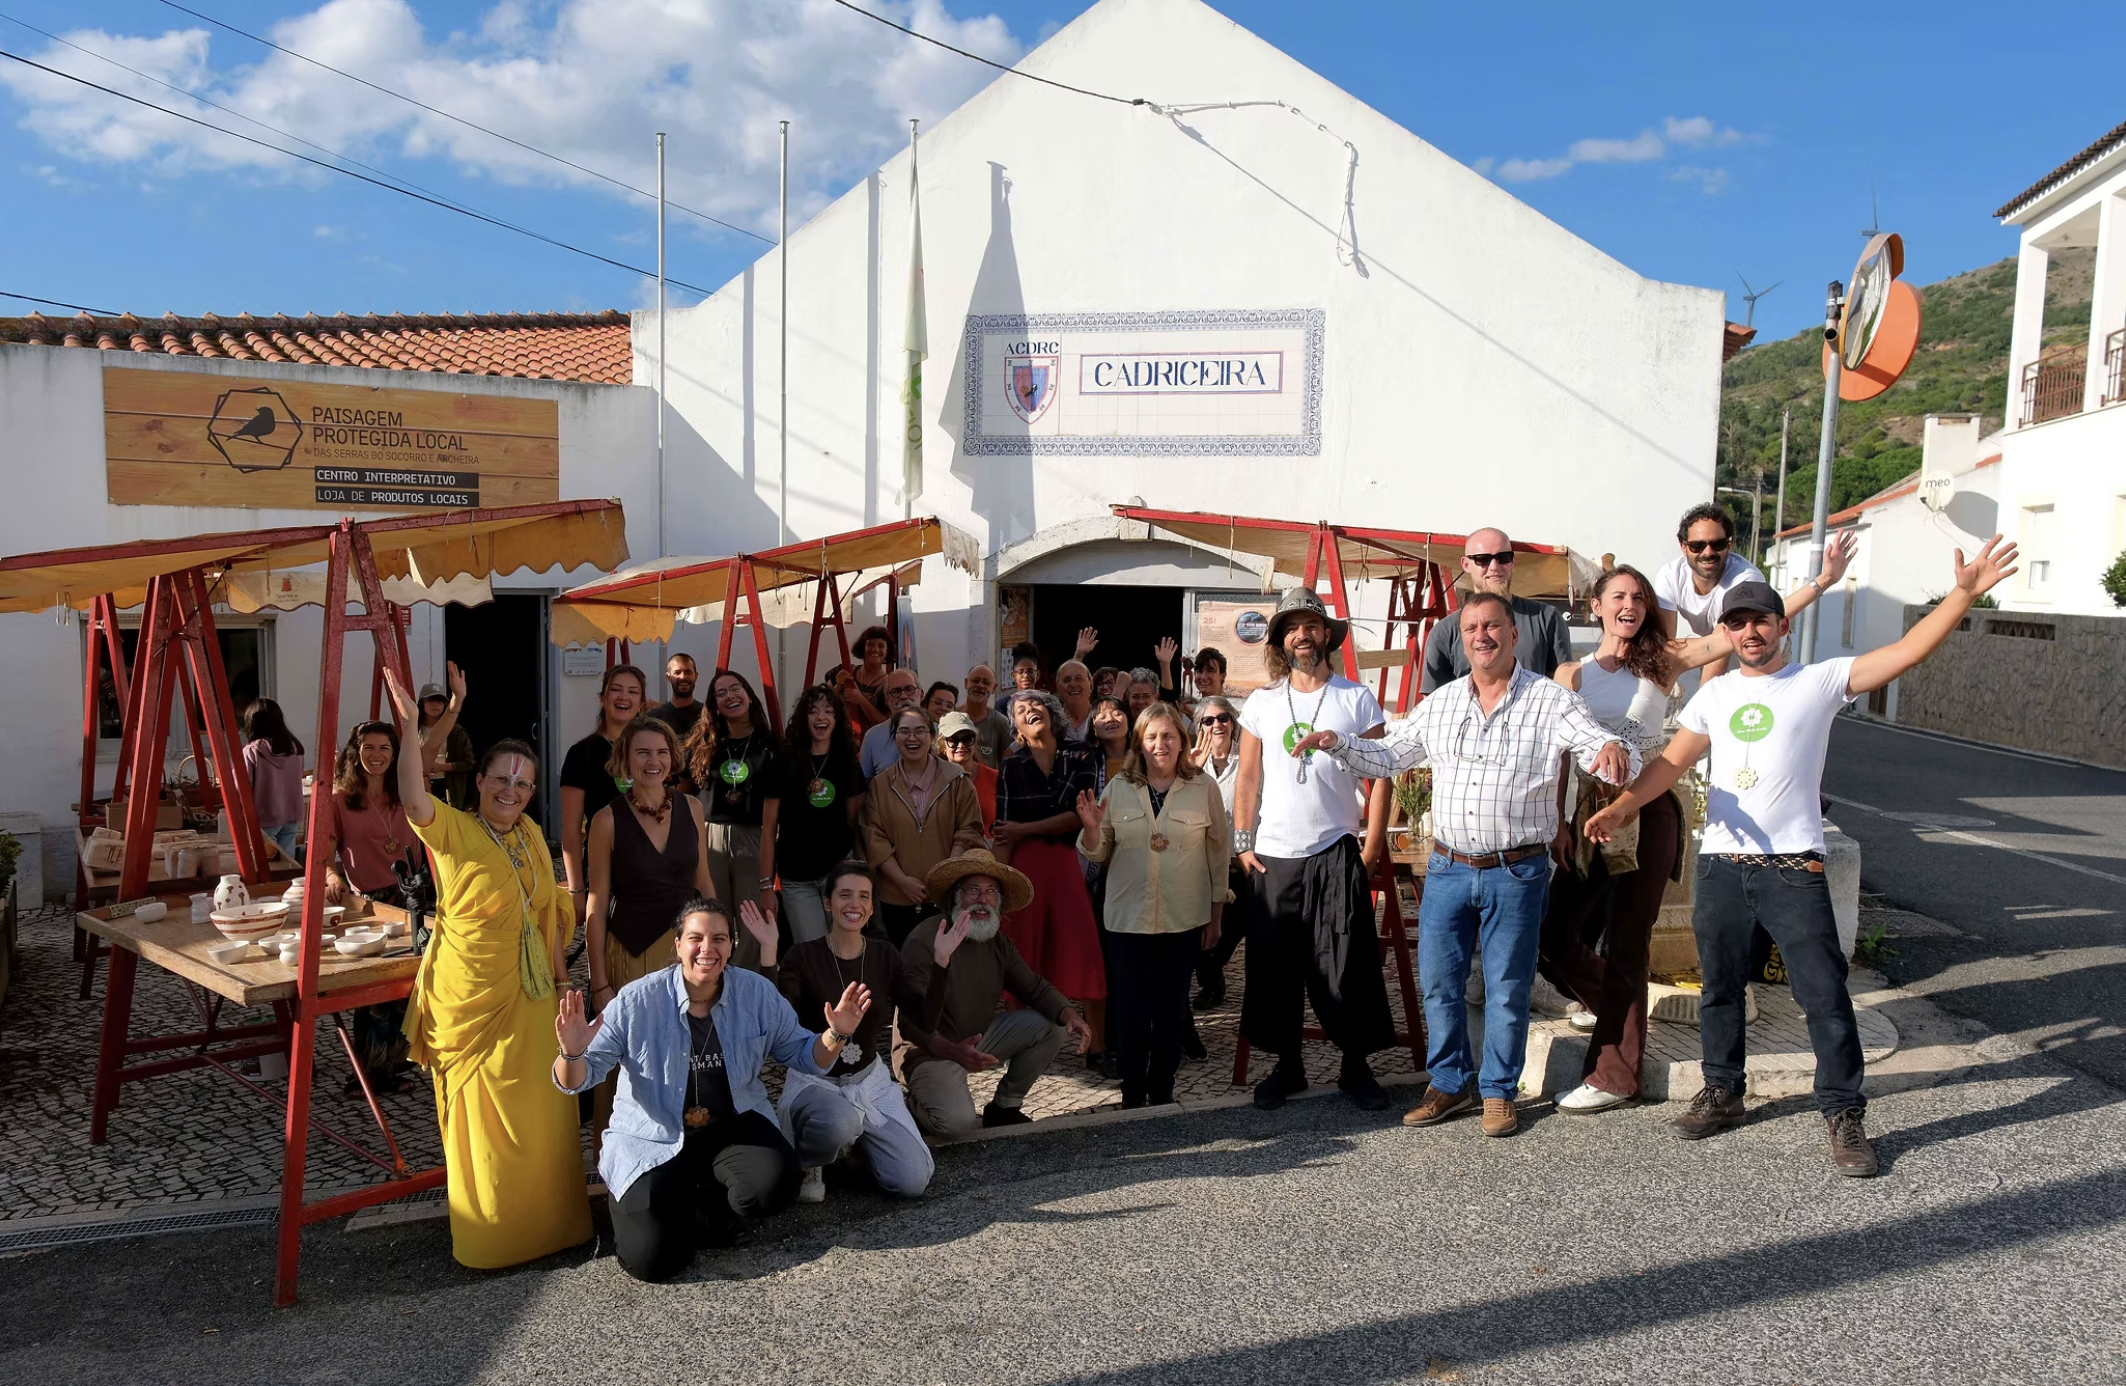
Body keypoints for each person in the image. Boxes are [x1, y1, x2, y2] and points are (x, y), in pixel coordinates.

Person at [1586, 538, 2019, 1176]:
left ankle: (1844, 1114)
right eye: (1736, 621)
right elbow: (1673, 762)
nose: (1749, 630)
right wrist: (1622, 807)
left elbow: (1904, 652)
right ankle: (1723, 1091)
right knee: (1720, 989)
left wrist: (1961, 594)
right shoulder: (1715, 696)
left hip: (1795, 867)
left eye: (1760, 618)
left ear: (1782, 625)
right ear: (1726, 631)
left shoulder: (1817, 681)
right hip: (1724, 865)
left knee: (1823, 996)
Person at [1300, 591, 1637, 1138]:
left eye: (1492, 626)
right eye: (1471, 627)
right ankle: (1449, 1082)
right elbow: (1390, 755)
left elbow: (1596, 741)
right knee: (1438, 981)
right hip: (1449, 868)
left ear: (1513, 635)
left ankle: (1498, 1092)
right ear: (1461, 639)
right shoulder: (1442, 702)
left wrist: (1614, 751)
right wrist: (1338, 743)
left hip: (1516, 870)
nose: (1481, 636)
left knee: (1507, 985)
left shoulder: (1551, 701)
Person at [1540, 558, 1851, 1115]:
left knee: (1629, 941)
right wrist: (1559, 824)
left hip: (1649, 809)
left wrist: (1819, 584)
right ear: (1597, 606)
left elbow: (1738, 631)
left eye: (1640, 598)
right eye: (1619, 597)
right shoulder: (1571, 674)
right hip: (1587, 816)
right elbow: (1562, 752)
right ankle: (1619, 1007)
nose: (1631, 606)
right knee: (1554, 937)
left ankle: (1616, 1073)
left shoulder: (1663, 659)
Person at [379, 666, 590, 1270]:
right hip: (469, 1002)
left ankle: (555, 1227)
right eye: (502, 780)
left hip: (531, 998)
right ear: (481, 783)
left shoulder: (527, 832)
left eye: (523, 786)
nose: (512, 792)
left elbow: (547, 912)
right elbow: (413, 791)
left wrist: (560, 985)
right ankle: (492, 1242)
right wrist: (425, 724)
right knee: (484, 1134)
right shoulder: (452, 830)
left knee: (545, 1115)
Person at [553, 899, 869, 1280]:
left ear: (732, 945)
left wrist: (837, 1033)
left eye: (719, 938)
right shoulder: (638, 1001)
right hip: (655, 1135)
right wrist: (571, 1054)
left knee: (776, 1182)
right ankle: (683, 1212)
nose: (707, 949)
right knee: (652, 1262)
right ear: (677, 945)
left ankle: (699, 1204)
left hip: (731, 1125)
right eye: (695, 938)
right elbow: (579, 1080)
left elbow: (807, 1056)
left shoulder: (755, 994)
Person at [1232, 589, 1396, 1112]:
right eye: (1292, 628)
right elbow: (1248, 778)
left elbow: (1382, 770)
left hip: (1335, 846)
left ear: (1326, 635)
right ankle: (1288, 1066)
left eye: (1311, 625)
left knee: (1347, 961)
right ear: (1282, 640)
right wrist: (1242, 842)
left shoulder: (1356, 698)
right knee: (1275, 966)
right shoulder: (1261, 702)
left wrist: (1371, 841)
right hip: (1275, 853)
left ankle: (1356, 1065)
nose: (1302, 635)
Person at [745, 863, 958, 1203]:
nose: (853, 904)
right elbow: (774, 1018)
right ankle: (811, 1159)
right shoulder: (802, 955)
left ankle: (859, 1149)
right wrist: (769, 953)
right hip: (816, 1082)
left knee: (913, 1181)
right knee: (839, 1123)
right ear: (827, 903)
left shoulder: (885, 954)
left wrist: (942, 961)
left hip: (867, 1082)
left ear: (872, 907)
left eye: (863, 896)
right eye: (844, 894)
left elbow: (924, 1022)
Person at [1076, 702, 1230, 1108]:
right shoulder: (1118, 788)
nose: (1160, 744)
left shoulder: (1204, 788)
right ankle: (1131, 1095)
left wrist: (1215, 917)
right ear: (1139, 744)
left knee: (1171, 1011)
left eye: (1168, 736)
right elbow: (1097, 852)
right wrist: (1092, 830)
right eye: (1151, 737)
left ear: (1182, 741)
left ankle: (1162, 1093)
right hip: (1127, 920)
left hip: (1183, 919)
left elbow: (1218, 856)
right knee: (1129, 1011)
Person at [897, 850, 1095, 1135]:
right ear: (956, 896)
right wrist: (954, 1051)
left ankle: (1004, 1108)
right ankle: (907, 1104)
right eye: (974, 890)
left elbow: (1033, 987)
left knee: (1053, 1025)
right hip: (930, 1052)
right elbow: (909, 1023)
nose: (983, 899)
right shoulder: (925, 940)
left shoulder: (996, 941)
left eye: (992, 891)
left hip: (978, 1039)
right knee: (955, 1123)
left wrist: (1069, 1013)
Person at [584, 714, 715, 1142]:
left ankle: (688, 1142)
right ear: (625, 759)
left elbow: (704, 881)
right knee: (632, 1058)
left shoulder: (692, 808)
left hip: (689, 954)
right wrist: (599, 982)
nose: (652, 761)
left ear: (673, 758)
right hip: (633, 955)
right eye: (642, 752)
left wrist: (719, 940)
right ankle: (624, 1153)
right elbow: (597, 904)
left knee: (691, 1052)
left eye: (661, 752)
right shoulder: (606, 820)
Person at [318, 718, 424, 1095]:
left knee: (407, 986)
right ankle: (365, 1073)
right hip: (369, 905)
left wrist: (455, 705)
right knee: (374, 992)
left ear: (395, 755)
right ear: (355, 753)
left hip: (411, 897)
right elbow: (323, 856)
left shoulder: (407, 793)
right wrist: (333, 879)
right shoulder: (340, 800)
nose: (376, 755)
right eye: (368, 748)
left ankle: (393, 1067)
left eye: (384, 748)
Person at [996, 690, 1108, 1040]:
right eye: (1020, 710)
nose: (1030, 711)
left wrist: (1024, 829)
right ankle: (1021, 1041)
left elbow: (1078, 816)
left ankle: (1097, 1046)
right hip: (1023, 868)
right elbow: (1003, 832)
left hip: (1064, 863)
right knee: (1021, 953)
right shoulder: (1011, 765)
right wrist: (997, 888)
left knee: (1083, 949)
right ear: (1015, 726)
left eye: (1036, 705)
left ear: (1052, 712)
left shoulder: (1081, 753)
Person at [863, 707, 986, 946]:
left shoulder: (957, 779)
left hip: (947, 896)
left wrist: (946, 875)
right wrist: (902, 881)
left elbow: (969, 829)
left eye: (920, 731)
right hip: (895, 897)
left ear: (932, 735)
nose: (912, 738)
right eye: (904, 732)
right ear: (894, 737)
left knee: (945, 969)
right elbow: (873, 837)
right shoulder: (880, 785)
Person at [682, 669, 778, 968]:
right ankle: (714, 980)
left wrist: (768, 882)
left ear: (749, 694)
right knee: (713, 919)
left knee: (753, 921)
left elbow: (773, 814)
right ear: (713, 704)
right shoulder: (702, 743)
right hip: (707, 835)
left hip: (752, 836)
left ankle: (744, 985)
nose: (730, 696)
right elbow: (682, 794)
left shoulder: (770, 745)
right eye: (720, 693)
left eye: (735, 688)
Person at [762, 685, 866, 945]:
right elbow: (768, 828)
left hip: (840, 872)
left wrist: (864, 874)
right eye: (813, 711)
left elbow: (855, 823)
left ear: (837, 719)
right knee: (813, 952)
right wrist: (766, 886)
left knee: (845, 947)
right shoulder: (783, 763)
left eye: (829, 711)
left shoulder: (848, 763)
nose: (821, 717)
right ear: (803, 719)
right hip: (797, 879)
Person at [1421, 527, 1573, 693]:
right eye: (1483, 559)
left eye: (1503, 557)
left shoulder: (1546, 618)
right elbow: (1435, 703)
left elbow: (1563, 687)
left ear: (1512, 561)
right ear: (1466, 564)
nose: (1494, 566)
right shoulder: (1444, 632)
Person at [562, 664, 647, 924]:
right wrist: (576, 889)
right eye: (616, 690)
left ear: (642, 703)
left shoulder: (652, 750)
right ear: (603, 698)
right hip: (604, 872)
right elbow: (571, 829)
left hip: (651, 866)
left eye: (633, 692)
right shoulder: (582, 754)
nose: (624, 697)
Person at [1189, 694, 1246, 1011]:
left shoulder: (1251, 760)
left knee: (1234, 931)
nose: (1217, 725)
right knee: (1204, 936)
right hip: (1206, 865)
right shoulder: (1193, 764)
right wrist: (1191, 772)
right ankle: (1212, 983)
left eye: (1223, 717)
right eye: (1208, 720)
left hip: (1245, 863)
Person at [239, 697, 306, 864]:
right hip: (291, 814)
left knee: (265, 869)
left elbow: (241, 786)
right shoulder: (295, 749)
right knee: (287, 866)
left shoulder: (252, 751)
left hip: (264, 816)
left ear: (252, 723)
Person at [415, 677, 474, 810]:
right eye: (430, 700)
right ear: (422, 703)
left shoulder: (456, 732)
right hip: (419, 785)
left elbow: (468, 763)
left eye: (440, 701)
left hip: (447, 786)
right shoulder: (413, 729)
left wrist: (442, 767)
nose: (435, 705)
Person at [937, 710, 998, 835]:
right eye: (953, 740)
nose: (961, 745)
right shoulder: (932, 782)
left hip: (987, 851)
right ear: (943, 745)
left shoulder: (996, 778)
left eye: (967, 739)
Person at [858, 668, 925, 779]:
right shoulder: (873, 737)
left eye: (909, 689)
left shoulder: (939, 732)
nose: (903, 696)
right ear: (887, 699)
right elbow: (864, 783)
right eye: (896, 691)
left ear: (921, 694)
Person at [960, 663, 1014, 769]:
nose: (980, 685)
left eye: (986, 683)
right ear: (966, 683)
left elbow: (1008, 763)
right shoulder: (951, 717)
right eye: (975, 681)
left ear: (994, 688)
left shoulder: (1000, 723)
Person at [846, 625, 895, 733]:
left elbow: (886, 724)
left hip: (870, 745)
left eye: (881, 645)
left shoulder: (890, 686)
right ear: (862, 648)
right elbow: (824, 703)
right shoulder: (844, 671)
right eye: (870, 644)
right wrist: (838, 685)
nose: (875, 649)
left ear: (887, 651)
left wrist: (861, 700)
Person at [648, 652, 706, 741]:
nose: (683, 677)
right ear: (668, 677)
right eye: (677, 672)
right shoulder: (654, 718)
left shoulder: (707, 715)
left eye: (688, 672)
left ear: (696, 676)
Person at [1087, 695, 1132, 790]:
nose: (1110, 719)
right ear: (1094, 729)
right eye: (1102, 717)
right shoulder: (1088, 764)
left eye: (1116, 714)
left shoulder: (1143, 757)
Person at [1055, 660, 1096, 743]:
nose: (1073, 684)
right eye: (1067, 680)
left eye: (1079, 679)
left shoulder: (1102, 720)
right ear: (1058, 688)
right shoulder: (1052, 725)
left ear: (1091, 685)